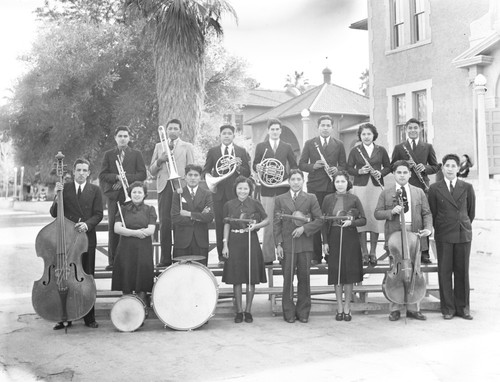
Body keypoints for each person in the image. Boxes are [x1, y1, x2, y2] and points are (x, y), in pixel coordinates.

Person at [374, 160, 432, 321]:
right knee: (396, 271)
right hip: (395, 237)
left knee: (414, 270)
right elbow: (377, 213)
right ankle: (395, 308)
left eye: (405, 172)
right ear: (393, 174)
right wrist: (391, 211)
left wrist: (428, 228)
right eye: (398, 172)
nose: (402, 175)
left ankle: (414, 307)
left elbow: (427, 213)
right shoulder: (386, 192)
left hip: (415, 234)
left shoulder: (418, 191)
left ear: (410, 174)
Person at [50, 158, 103, 330]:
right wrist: (56, 198)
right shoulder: (64, 189)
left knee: (87, 277)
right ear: (73, 172)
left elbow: (98, 214)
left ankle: (89, 317)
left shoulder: (95, 190)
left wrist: (87, 224)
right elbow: (53, 214)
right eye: (78, 170)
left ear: (89, 173)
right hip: (67, 240)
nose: (81, 173)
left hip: (87, 239)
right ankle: (65, 317)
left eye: (84, 170)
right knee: (65, 278)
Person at [428, 154, 475, 320]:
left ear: (458, 168)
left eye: (453, 166)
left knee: (462, 272)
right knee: (445, 272)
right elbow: (433, 212)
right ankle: (448, 309)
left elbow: (470, 212)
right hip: (444, 234)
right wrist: (441, 227)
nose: (450, 169)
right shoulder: (435, 189)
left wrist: (462, 224)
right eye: (447, 165)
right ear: (442, 168)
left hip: (463, 233)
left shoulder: (467, 187)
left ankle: (463, 309)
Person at [274, 169, 323, 323]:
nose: (296, 182)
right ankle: (288, 312)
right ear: (289, 181)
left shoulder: (311, 198)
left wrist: (304, 229)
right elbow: (276, 224)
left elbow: (319, 220)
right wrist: (279, 244)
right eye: (293, 179)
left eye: (299, 179)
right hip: (287, 246)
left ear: (303, 181)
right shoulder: (280, 199)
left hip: (305, 245)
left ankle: (303, 312)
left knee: (304, 278)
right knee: (287, 279)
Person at [299, 115, 346, 265]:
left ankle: (330, 253)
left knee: (330, 220)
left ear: (332, 128)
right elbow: (301, 164)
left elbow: (344, 165)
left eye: (328, 125)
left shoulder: (338, 144)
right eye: (322, 125)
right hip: (314, 187)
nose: (325, 128)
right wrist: (313, 166)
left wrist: (336, 169)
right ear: (318, 127)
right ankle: (315, 255)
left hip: (332, 186)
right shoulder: (310, 143)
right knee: (315, 219)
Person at [391, 118, 439, 264]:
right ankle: (405, 250)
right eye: (410, 128)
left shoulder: (428, 146)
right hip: (405, 185)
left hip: (422, 186)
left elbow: (435, 166)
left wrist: (424, 167)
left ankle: (424, 251)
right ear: (406, 130)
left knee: (422, 217)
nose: (412, 130)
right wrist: (406, 165)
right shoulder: (400, 147)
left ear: (420, 129)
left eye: (415, 128)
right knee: (407, 218)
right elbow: (393, 166)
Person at [99, 126, 147, 271]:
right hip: (114, 196)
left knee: (132, 225)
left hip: (132, 196)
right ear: (115, 138)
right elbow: (102, 175)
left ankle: (131, 260)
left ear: (129, 138)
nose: (123, 138)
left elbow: (142, 174)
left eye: (125, 136)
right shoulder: (108, 154)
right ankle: (113, 261)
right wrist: (116, 177)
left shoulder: (136, 154)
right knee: (114, 226)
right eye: (120, 136)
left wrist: (126, 178)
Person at [222, 176, 269, 323]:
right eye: (240, 188)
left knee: (250, 278)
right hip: (234, 242)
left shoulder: (255, 203)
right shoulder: (229, 204)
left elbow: (267, 220)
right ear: (235, 189)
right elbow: (227, 224)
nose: (242, 191)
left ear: (250, 190)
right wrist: (225, 244)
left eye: (245, 188)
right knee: (237, 278)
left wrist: (256, 226)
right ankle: (239, 311)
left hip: (251, 241)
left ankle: (248, 311)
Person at [203, 125, 251, 266]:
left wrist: (238, 167)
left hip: (236, 194)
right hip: (219, 194)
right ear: (220, 135)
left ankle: (235, 255)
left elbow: (247, 173)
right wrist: (211, 181)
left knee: (236, 222)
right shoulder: (213, 151)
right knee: (220, 224)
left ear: (233, 136)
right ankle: (221, 256)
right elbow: (206, 170)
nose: (227, 136)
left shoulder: (241, 151)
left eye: (229, 133)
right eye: (224, 133)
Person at [321, 171, 366, 321]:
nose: (340, 184)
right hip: (333, 236)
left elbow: (363, 220)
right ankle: (339, 306)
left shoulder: (354, 198)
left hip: (350, 238)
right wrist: (325, 242)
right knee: (336, 273)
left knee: (348, 274)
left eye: (343, 181)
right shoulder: (327, 199)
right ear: (333, 183)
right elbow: (323, 221)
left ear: (348, 183)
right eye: (337, 181)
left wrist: (351, 222)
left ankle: (347, 306)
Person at [150, 119, 195, 267]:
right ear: (167, 130)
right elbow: (151, 171)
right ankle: (165, 258)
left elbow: (192, 169)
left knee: (180, 222)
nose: (173, 131)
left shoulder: (187, 146)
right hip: (164, 187)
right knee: (164, 222)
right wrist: (159, 161)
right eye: (170, 128)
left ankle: (180, 256)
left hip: (180, 187)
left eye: (176, 128)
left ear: (180, 131)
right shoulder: (158, 146)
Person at [253, 118, 298, 264]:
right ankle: (267, 257)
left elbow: (294, 165)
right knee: (268, 224)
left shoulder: (287, 146)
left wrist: (291, 179)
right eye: (272, 129)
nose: (275, 131)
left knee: (284, 223)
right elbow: (255, 164)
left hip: (282, 189)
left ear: (281, 131)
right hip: (267, 190)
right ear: (268, 131)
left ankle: (285, 254)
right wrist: (258, 167)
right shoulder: (261, 146)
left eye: (277, 129)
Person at [347, 123, 391, 266]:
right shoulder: (355, 151)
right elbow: (348, 168)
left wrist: (381, 172)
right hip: (360, 187)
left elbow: (389, 166)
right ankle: (364, 252)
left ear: (374, 135)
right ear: (360, 136)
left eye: (369, 134)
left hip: (376, 187)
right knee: (362, 218)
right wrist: (359, 171)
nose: (366, 137)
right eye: (364, 134)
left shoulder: (381, 150)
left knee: (374, 219)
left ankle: (373, 252)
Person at [112, 182, 157, 307]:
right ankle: (127, 309)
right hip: (126, 249)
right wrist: (136, 233)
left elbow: (150, 230)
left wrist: (129, 232)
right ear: (130, 194)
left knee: (142, 278)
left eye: (139, 192)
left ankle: (141, 308)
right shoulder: (122, 209)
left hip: (143, 250)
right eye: (134, 192)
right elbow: (117, 229)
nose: (137, 195)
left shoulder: (150, 209)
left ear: (144, 194)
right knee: (126, 277)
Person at [171, 164, 214, 266]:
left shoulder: (207, 194)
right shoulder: (177, 194)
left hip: (200, 241)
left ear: (200, 177)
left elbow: (209, 217)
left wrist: (189, 214)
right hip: (182, 242)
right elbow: (175, 218)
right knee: (181, 275)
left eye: (196, 175)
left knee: (200, 274)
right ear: (185, 177)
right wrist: (199, 216)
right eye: (190, 175)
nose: (193, 178)